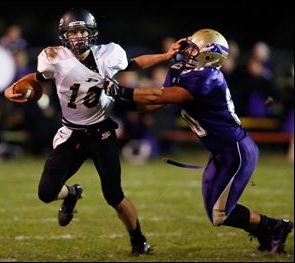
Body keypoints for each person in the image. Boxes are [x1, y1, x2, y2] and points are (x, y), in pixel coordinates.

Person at [4, 8, 185, 256]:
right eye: (73, 32)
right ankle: (72, 193)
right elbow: (36, 78)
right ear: (64, 35)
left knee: (114, 196)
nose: (78, 37)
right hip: (71, 132)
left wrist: (165, 55)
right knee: (46, 193)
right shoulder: (54, 57)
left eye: (82, 31)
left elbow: (134, 64)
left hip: (102, 133)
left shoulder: (109, 54)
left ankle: (139, 241)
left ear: (92, 33)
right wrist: (11, 89)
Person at [102, 29, 294, 254]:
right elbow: (158, 103)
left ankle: (275, 227)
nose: (187, 50)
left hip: (236, 151)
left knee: (220, 213)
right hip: (220, 151)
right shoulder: (180, 69)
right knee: (216, 211)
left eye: (194, 48)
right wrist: (114, 103)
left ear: (209, 57)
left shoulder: (208, 78)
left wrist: (119, 91)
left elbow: (159, 96)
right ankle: (269, 230)